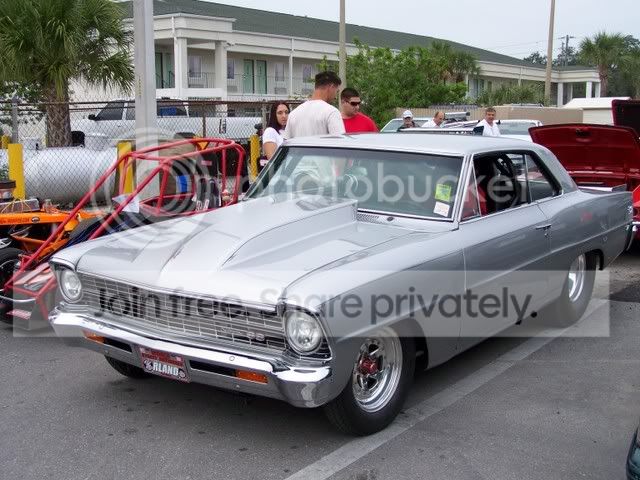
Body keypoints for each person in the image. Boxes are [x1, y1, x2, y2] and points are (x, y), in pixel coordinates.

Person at [283, 71, 345, 139]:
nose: (336, 96)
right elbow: (340, 142)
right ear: (331, 87)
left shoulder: (293, 114)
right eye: (337, 91)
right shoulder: (332, 112)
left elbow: (286, 142)